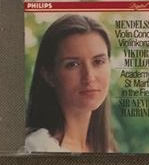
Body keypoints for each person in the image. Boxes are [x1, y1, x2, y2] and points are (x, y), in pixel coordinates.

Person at [25, 15, 115, 152]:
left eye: (98, 62)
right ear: (48, 75)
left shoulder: (107, 149)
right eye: (73, 64)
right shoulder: (37, 147)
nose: (89, 76)